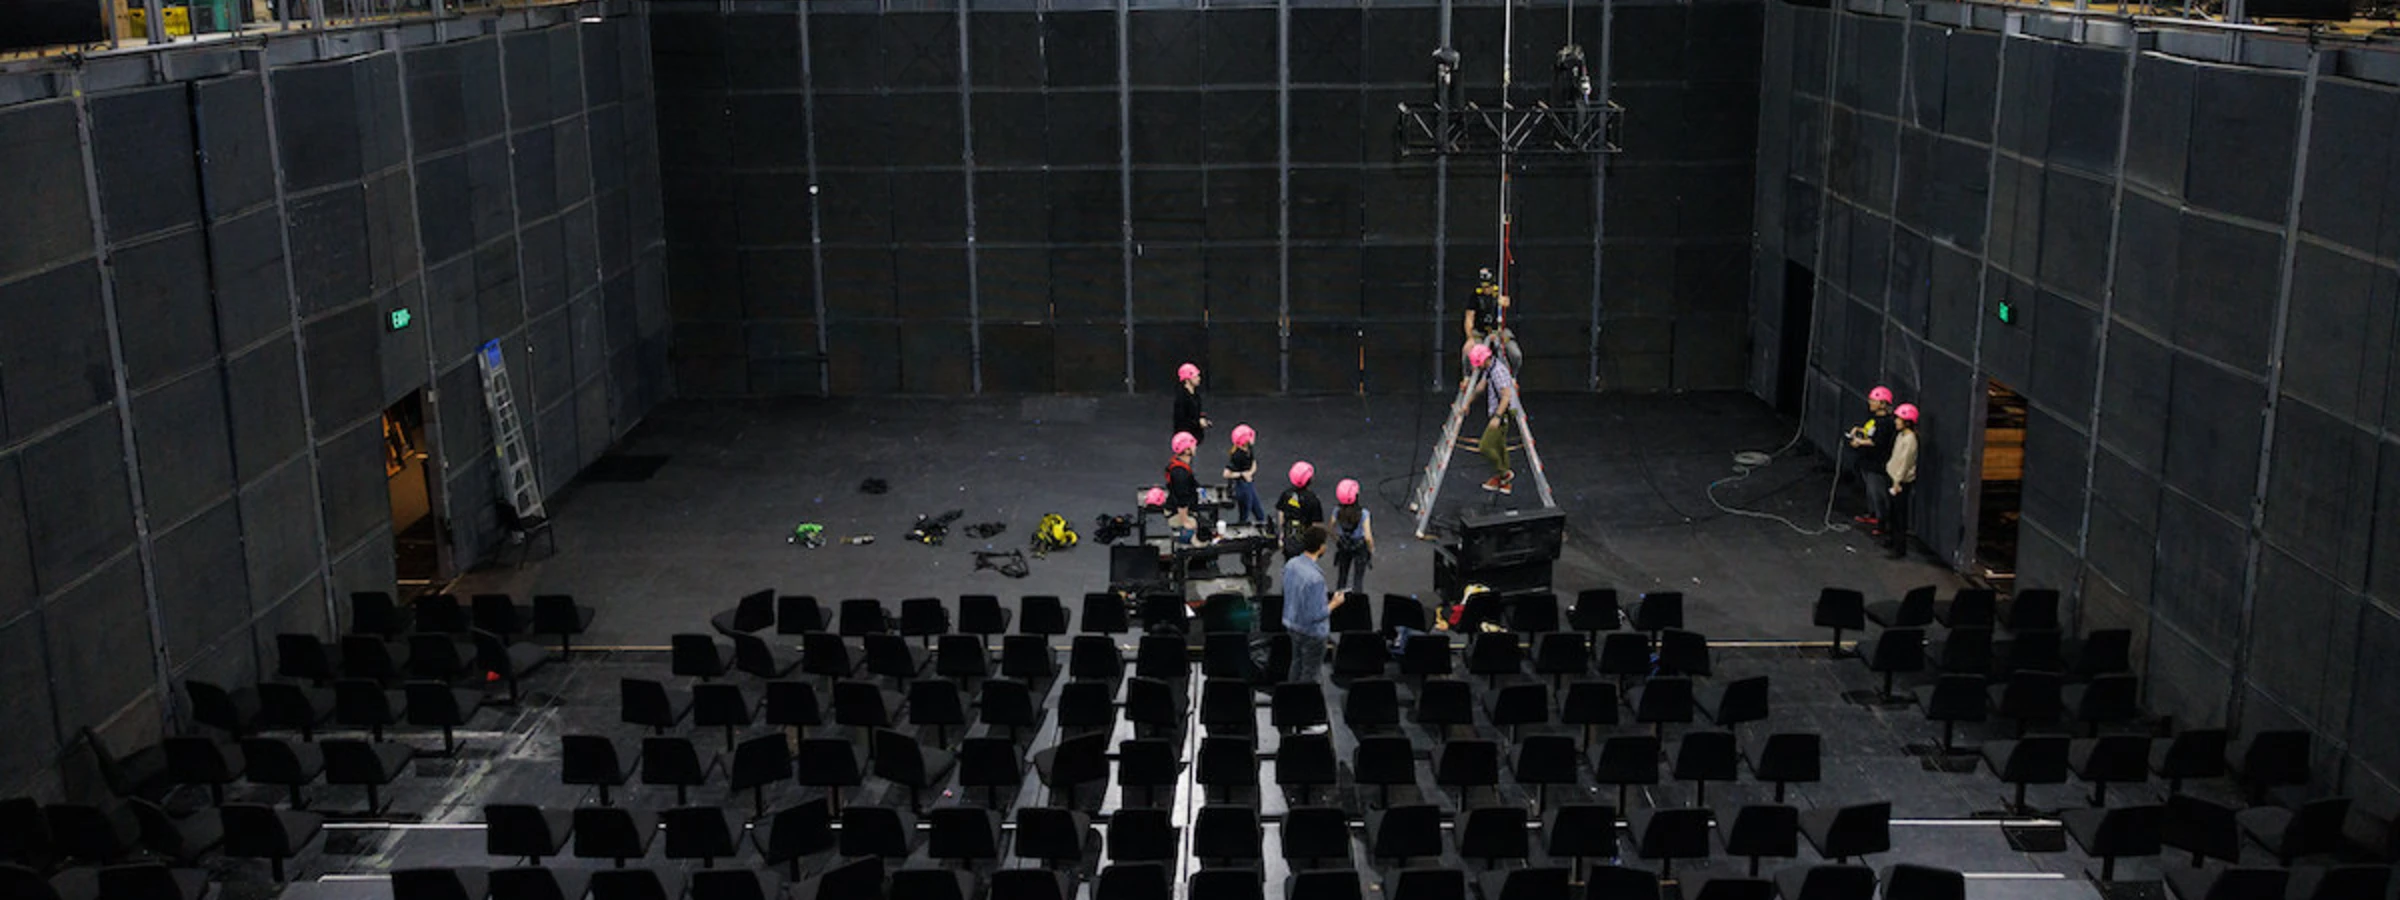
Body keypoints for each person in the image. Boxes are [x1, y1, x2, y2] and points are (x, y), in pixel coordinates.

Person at [1282, 524, 1345, 698]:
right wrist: (1335, 603)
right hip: (1312, 633)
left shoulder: (1291, 565)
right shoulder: (1315, 579)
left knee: (1296, 665)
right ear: (1322, 547)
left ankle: (1290, 700)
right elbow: (1316, 614)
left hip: (1292, 626)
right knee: (1310, 673)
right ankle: (1305, 711)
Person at [1468, 343, 1519, 495]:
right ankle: (1504, 482)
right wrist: (1468, 403)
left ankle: (1504, 473)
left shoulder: (1498, 371)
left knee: (1485, 446)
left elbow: (1506, 396)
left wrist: (1497, 417)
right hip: (1499, 412)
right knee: (1500, 446)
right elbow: (1480, 387)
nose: (1477, 367)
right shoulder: (1490, 367)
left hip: (1502, 413)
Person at [1847, 385, 1898, 529]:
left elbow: (1878, 441)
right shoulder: (1874, 418)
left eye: (1873, 401)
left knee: (1878, 492)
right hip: (1867, 461)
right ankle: (1873, 514)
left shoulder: (1887, 422)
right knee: (1870, 490)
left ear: (1882, 404)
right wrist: (1859, 431)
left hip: (1878, 463)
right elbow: (1870, 432)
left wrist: (1860, 442)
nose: (1870, 403)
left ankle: (1883, 521)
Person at [1884, 404, 1920, 559]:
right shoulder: (1901, 436)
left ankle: (1900, 548)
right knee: (1892, 513)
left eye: (1899, 419)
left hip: (1900, 481)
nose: (1896, 421)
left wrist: (1897, 482)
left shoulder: (1910, 440)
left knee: (1900, 515)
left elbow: (1905, 463)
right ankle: (1892, 539)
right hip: (1893, 476)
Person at [1331, 478, 1374, 595]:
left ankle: (1338, 602)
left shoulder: (1337, 511)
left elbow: (1331, 529)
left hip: (1344, 545)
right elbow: (1368, 537)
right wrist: (1371, 549)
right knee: (1358, 578)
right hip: (1359, 546)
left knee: (1342, 576)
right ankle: (1357, 602)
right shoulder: (1363, 513)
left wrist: (1338, 540)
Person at [1277, 461, 1326, 560]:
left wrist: (1282, 534)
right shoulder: (1313, 500)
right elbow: (1316, 525)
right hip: (1305, 542)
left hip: (1289, 538)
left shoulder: (1286, 494)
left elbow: (1281, 515)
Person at [1223, 424, 1266, 526]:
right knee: (1244, 516)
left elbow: (1254, 462)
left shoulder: (1249, 448)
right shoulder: (1237, 455)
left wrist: (1250, 473)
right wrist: (1242, 474)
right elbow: (1226, 474)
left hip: (1249, 485)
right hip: (1242, 487)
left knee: (1260, 514)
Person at [1165, 431, 1201, 545]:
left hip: (1184, 510)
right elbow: (1182, 499)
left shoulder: (1180, 465)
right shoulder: (1180, 473)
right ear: (1186, 450)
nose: (1195, 447)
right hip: (1179, 514)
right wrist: (1185, 521)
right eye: (1192, 445)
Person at [1173, 362, 1210, 447]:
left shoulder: (1196, 396)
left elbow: (1198, 412)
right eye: (1195, 376)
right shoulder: (1182, 398)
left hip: (1194, 438)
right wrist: (1198, 422)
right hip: (1185, 442)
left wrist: (1202, 419)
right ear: (1187, 379)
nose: (1199, 379)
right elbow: (1181, 421)